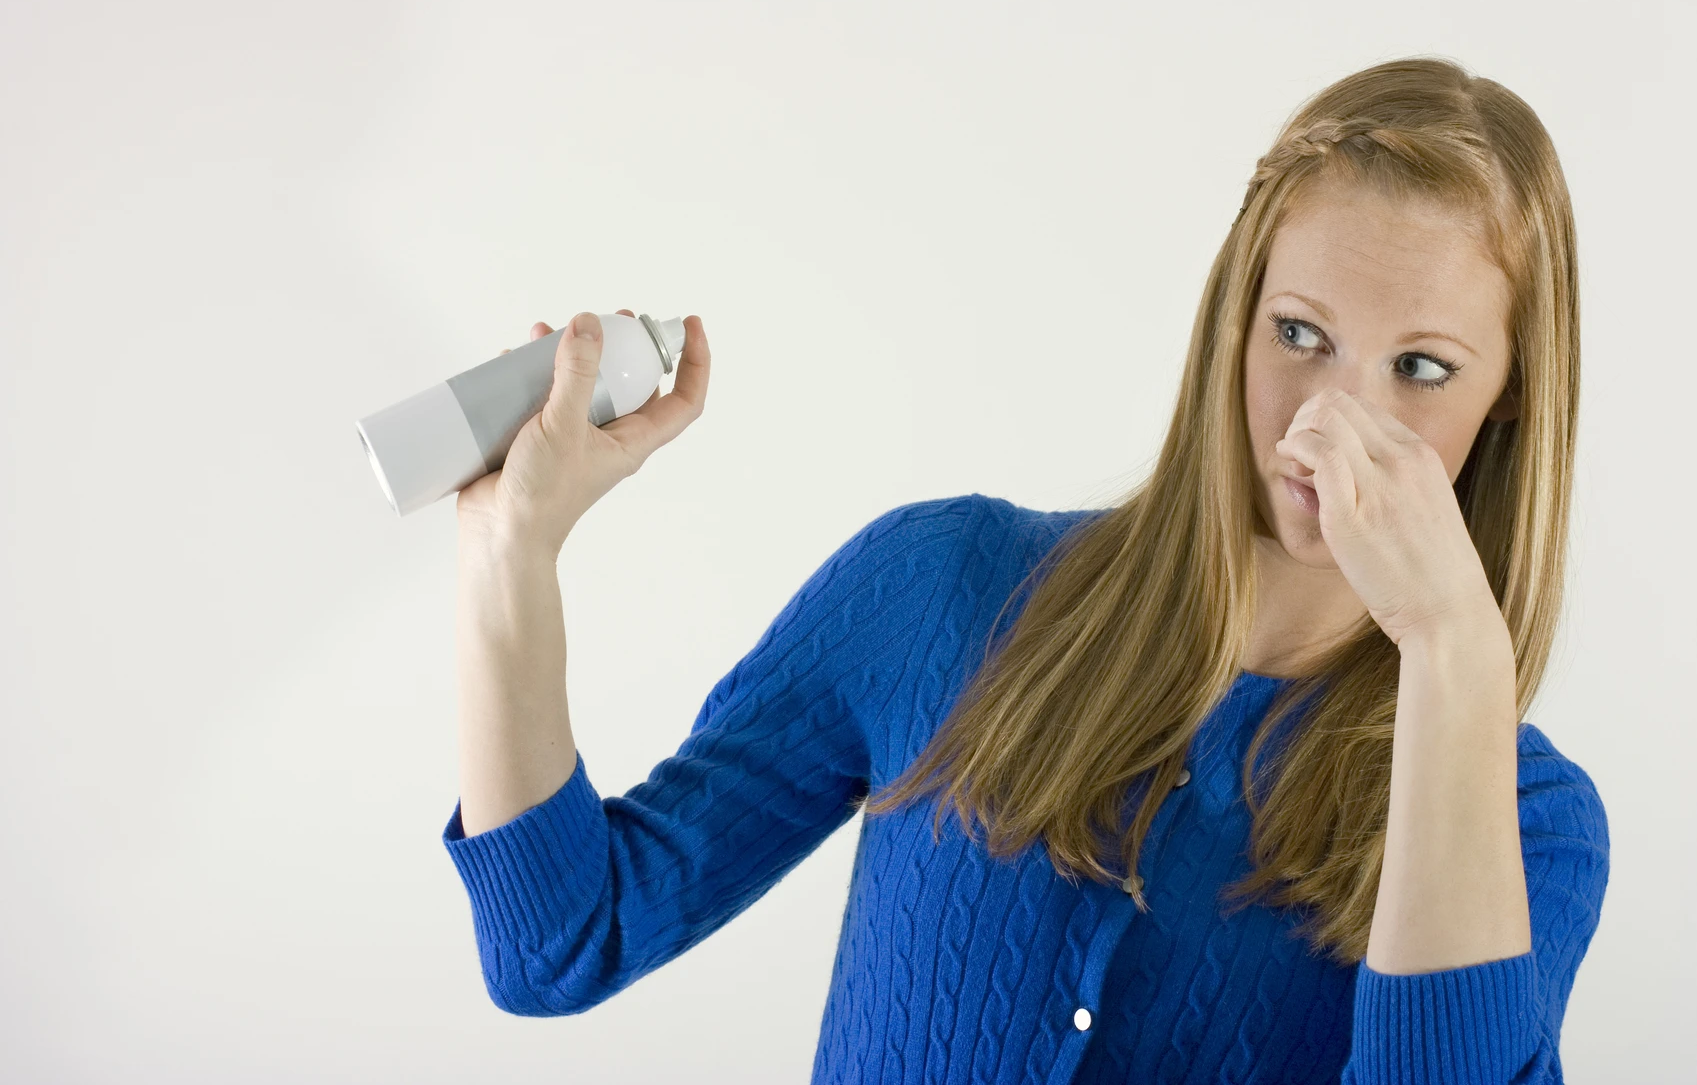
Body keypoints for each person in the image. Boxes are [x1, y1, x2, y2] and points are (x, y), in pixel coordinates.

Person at [440, 55, 1607, 1084]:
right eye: (1297, 335)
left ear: (1503, 411)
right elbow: (561, 940)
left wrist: (1454, 649)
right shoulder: (941, 588)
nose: (1327, 422)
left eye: (1419, 367)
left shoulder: (1525, 824)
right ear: (1231, 325)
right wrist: (510, 554)